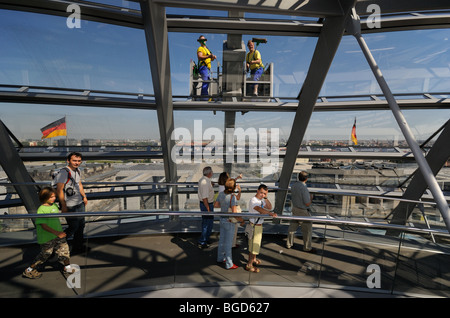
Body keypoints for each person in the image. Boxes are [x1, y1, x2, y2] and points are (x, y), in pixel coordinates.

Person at [23, 187, 76, 279]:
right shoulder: (41, 210)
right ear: (44, 197)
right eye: (51, 197)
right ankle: (29, 270)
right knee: (45, 254)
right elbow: (44, 225)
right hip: (47, 237)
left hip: (58, 235)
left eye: (54, 196)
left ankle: (67, 267)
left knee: (65, 250)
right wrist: (57, 233)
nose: (54, 198)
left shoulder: (54, 206)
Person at [55, 152, 88, 254]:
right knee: (73, 227)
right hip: (69, 205)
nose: (76, 163)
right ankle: (55, 244)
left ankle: (78, 247)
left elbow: (79, 184)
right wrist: (63, 205)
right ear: (68, 161)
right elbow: (59, 190)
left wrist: (84, 196)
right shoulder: (63, 172)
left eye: (78, 161)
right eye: (74, 160)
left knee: (81, 226)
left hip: (79, 203)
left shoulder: (78, 171)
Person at [245, 184, 277, 273]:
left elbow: (269, 207)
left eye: (264, 193)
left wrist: (265, 198)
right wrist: (270, 214)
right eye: (261, 193)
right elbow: (259, 209)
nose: (262, 195)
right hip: (254, 226)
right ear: (257, 191)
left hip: (258, 226)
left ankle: (253, 260)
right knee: (254, 247)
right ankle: (249, 265)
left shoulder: (262, 200)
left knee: (255, 246)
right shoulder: (253, 201)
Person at [214, 178, 244, 269]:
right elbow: (234, 213)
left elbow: (216, 205)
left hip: (222, 220)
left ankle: (220, 258)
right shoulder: (232, 197)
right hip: (229, 222)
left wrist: (224, 205)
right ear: (234, 187)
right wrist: (242, 220)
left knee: (222, 241)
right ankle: (229, 263)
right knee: (228, 243)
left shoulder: (221, 194)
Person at [286, 171, 316, 253]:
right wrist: (311, 198)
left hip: (295, 208)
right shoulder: (304, 188)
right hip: (303, 211)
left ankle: (289, 244)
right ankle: (307, 247)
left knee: (292, 228)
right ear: (306, 179)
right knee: (307, 230)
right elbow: (307, 203)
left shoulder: (294, 186)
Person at [197, 166, 215, 248]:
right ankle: (202, 241)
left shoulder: (204, 180)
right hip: (207, 204)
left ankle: (206, 239)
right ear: (209, 173)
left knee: (208, 223)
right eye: (212, 172)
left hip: (207, 204)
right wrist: (208, 209)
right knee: (206, 223)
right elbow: (204, 197)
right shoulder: (205, 182)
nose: (212, 173)